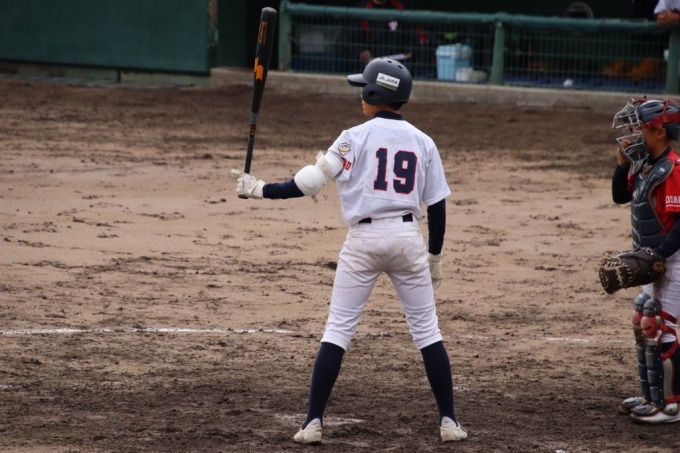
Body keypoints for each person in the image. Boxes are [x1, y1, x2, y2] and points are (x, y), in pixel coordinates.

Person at [230, 58, 467, 443]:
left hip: (363, 242)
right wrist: (434, 257)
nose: (360, 95)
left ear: (375, 93)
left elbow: (309, 182)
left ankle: (312, 423)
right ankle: (449, 423)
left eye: (364, 89)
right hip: (408, 240)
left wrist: (259, 189)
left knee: (338, 330)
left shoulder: (352, 137)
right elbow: (437, 206)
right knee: (427, 332)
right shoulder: (424, 141)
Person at [610, 97, 680, 424]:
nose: (634, 135)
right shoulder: (644, 166)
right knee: (643, 320)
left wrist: (660, 254)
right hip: (654, 259)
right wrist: (621, 164)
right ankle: (651, 396)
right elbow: (619, 196)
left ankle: (671, 405)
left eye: (641, 128)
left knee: (660, 326)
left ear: (660, 133)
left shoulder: (672, 170)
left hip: (673, 259)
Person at [347, 0, 431, 76]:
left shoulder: (400, 5)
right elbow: (351, 39)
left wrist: (410, 50)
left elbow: (412, 34)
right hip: (373, 63)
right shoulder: (362, 8)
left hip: (399, 62)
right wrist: (361, 51)